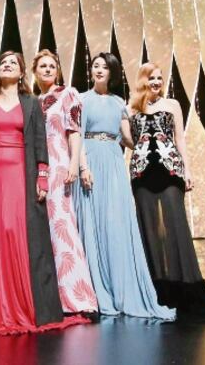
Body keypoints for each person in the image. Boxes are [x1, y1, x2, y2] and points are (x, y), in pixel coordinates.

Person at [0, 51, 89, 334]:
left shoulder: (30, 102)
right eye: (3, 62)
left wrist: (42, 176)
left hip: (21, 173)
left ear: (22, 72)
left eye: (13, 63)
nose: (7, 65)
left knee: (18, 231)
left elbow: (38, 140)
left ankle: (25, 302)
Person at [75, 52, 174, 321]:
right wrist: (83, 167)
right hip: (91, 161)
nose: (98, 70)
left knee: (115, 223)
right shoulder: (82, 100)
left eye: (104, 67)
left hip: (114, 163)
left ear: (112, 73)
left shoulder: (120, 102)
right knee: (93, 224)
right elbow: (78, 136)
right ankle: (95, 291)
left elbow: (128, 139)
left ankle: (121, 287)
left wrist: (152, 140)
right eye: (95, 66)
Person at [128, 62, 205, 317]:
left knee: (175, 228)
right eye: (151, 78)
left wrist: (187, 170)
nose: (156, 82)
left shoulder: (173, 105)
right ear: (142, 80)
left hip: (170, 169)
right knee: (150, 231)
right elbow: (127, 140)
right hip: (142, 172)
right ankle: (159, 291)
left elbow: (180, 139)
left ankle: (189, 290)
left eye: (159, 78)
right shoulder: (130, 108)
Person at [31, 49, 98, 315]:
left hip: (60, 166)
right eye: (42, 66)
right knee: (43, 232)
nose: (47, 70)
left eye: (51, 66)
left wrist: (75, 165)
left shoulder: (68, 93)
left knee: (63, 228)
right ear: (35, 72)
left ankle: (76, 295)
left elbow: (74, 132)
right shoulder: (34, 100)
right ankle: (49, 296)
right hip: (38, 169)